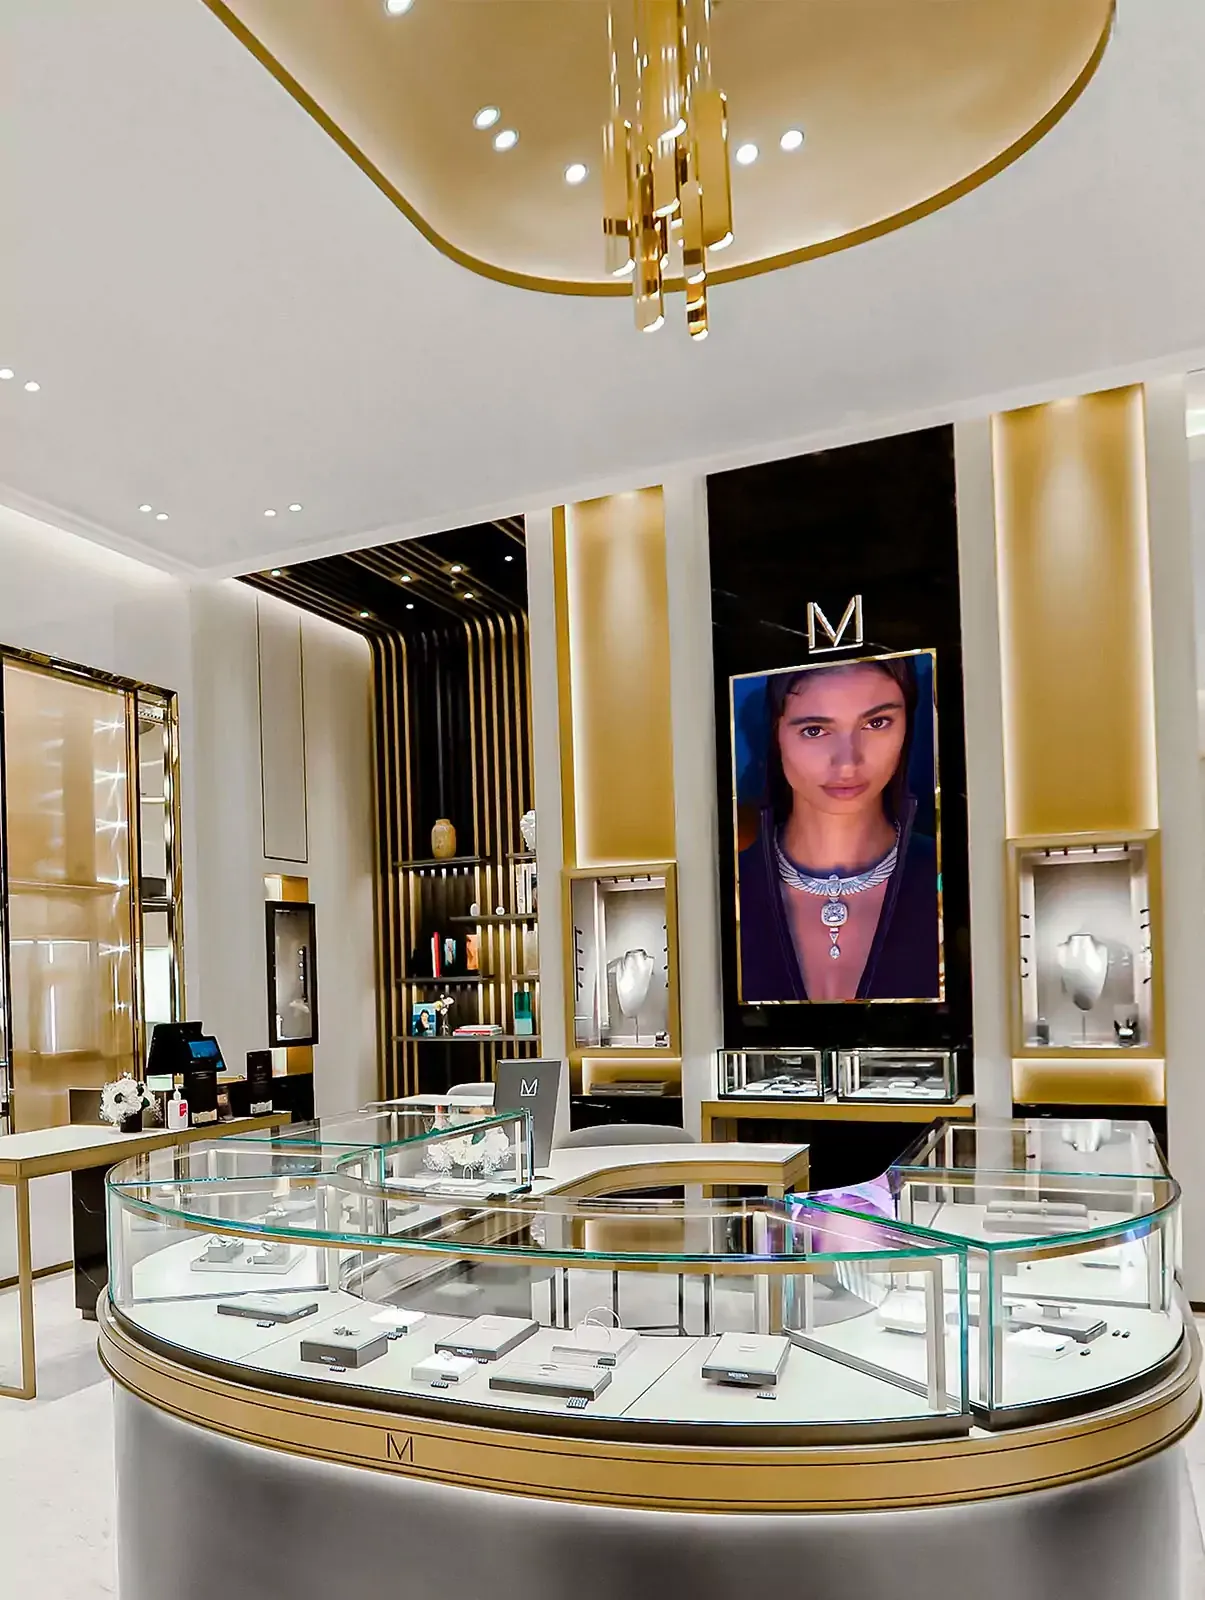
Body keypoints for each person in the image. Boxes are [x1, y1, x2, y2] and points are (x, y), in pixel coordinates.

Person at [737, 654, 940, 1002]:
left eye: (876, 723)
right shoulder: (725, 891)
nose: (847, 763)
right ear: (776, 735)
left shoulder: (952, 877)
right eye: (814, 731)